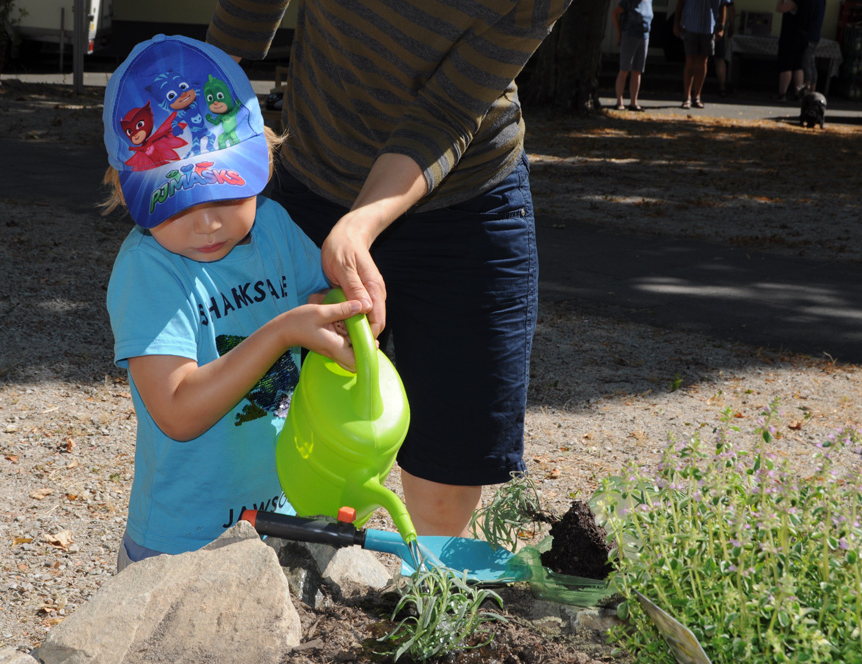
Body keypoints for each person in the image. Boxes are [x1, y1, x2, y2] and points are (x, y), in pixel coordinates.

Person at [208, 0, 566, 539]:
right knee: (279, 438)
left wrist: (360, 224)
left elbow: (448, 108)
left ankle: (433, 592)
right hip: (317, 171)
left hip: (467, 199)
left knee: (445, 484)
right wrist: (202, 91)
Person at [99, 34, 362, 571]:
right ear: (127, 193)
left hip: (284, 514)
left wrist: (347, 312)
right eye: (178, 202)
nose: (208, 222)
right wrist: (284, 332)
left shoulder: (273, 228)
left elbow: (321, 298)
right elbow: (177, 410)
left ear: (263, 159)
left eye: (226, 192)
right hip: (181, 542)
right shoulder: (150, 270)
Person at [674, 0, 728, 108]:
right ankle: (687, 96)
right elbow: (680, 3)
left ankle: (697, 96)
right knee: (690, 61)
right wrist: (676, 24)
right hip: (690, 25)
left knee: (702, 62)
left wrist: (721, 26)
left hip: (708, 27)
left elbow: (723, 4)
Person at [613, 0, 655, 111]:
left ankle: (633, 102)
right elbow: (615, 13)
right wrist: (619, 34)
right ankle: (619, 101)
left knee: (637, 70)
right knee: (624, 69)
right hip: (629, 35)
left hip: (644, 37)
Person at [775, 0, 809, 100]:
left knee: (786, 65)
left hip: (790, 37)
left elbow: (779, 8)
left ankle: (782, 93)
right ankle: (798, 94)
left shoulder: (794, 1)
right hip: (802, 36)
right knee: (797, 65)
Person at [801, 0, 827, 93]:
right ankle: (812, 90)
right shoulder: (822, 2)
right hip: (815, 35)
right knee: (811, 64)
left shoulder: (813, 2)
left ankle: (807, 91)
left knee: (806, 64)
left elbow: (806, 17)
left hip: (808, 35)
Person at [713, 0, 736, 95]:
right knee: (719, 58)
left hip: (703, 26)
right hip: (718, 27)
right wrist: (732, 25)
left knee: (699, 58)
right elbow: (730, 8)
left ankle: (694, 89)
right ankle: (722, 87)